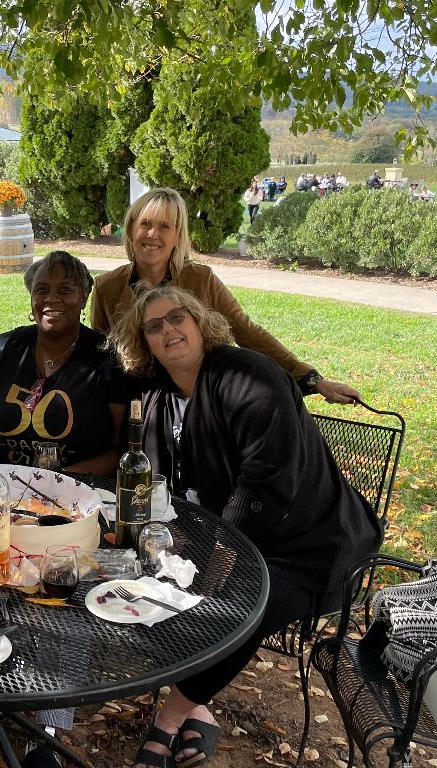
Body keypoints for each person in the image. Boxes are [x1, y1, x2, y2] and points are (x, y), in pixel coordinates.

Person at [110, 286, 383, 768]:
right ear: (144, 342)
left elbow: (266, 483)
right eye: (154, 326)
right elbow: (161, 485)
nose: (169, 329)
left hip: (309, 546)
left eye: (178, 317)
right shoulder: (157, 398)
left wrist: (218, 561)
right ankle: (201, 708)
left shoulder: (246, 374)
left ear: (200, 323)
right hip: (224, 536)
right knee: (140, 589)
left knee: (233, 610)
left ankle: (169, 721)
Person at [89, 187, 359, 404]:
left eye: (164, 226)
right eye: (145, 223)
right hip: (135, 406)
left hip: (199, 401)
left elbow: (248, 332)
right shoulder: (107, 288)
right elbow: (101, 360)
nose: (152, 234)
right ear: (131, 229)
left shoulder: (202, 280)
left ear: (177, 236)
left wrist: (312, 379)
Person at [0, 250, 125, 477]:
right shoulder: (0, 349)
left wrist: (55, 481)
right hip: (1, 490)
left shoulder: (107, 358)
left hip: (77, 496)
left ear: (83, 297)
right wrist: (0, 474)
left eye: (65, 290)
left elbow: (121, 449)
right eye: (41, 290)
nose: (51, 298)